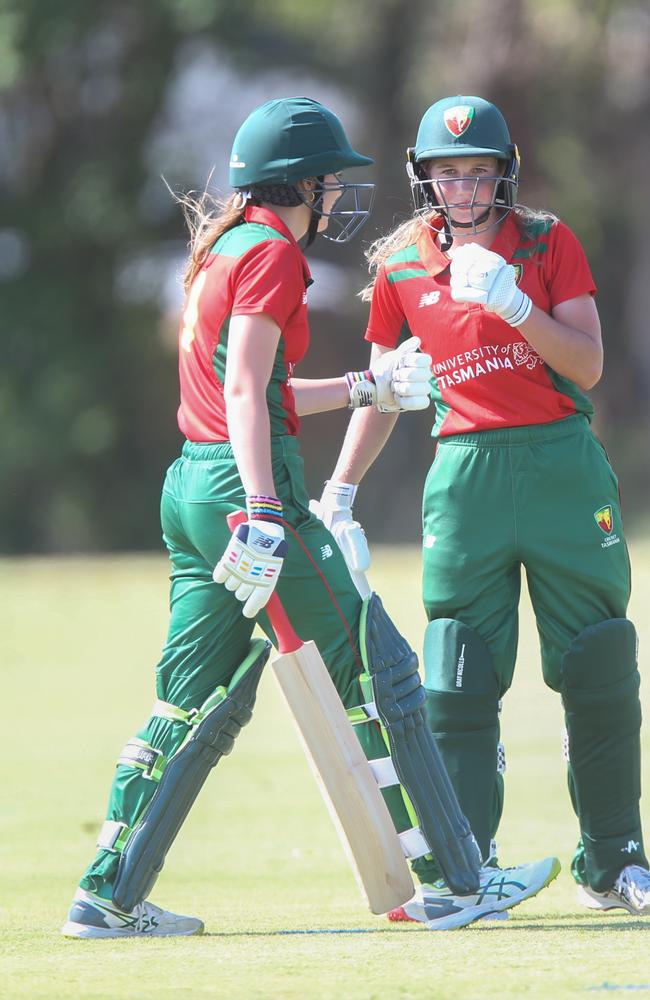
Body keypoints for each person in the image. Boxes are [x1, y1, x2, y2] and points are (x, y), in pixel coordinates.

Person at [61, 97, 557, 939]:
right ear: (297, 184)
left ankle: (106, 892)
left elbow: (259, 387)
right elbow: (250, 393)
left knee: (194, 696)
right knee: (378, 667)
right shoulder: (272, 257)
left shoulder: (226, 250)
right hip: (247, 494)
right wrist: (262, 509)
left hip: (193, 488)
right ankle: (454, 878)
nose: (334, 194)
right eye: (327, 180)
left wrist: (364, 387)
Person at [316, 94, 650, 923]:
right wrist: (342, 486)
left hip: (559, 464)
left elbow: (591, 362)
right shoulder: (399, 264)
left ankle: (615, 862)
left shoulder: (546, 242)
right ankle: (472, 867)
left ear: (503, 175)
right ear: (423, 177)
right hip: (465, 469)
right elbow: (387, 390)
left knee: (599, 663)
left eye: (478, 172)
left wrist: (515, 306)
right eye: (447, 172)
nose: (463, 187)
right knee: (456, 669)